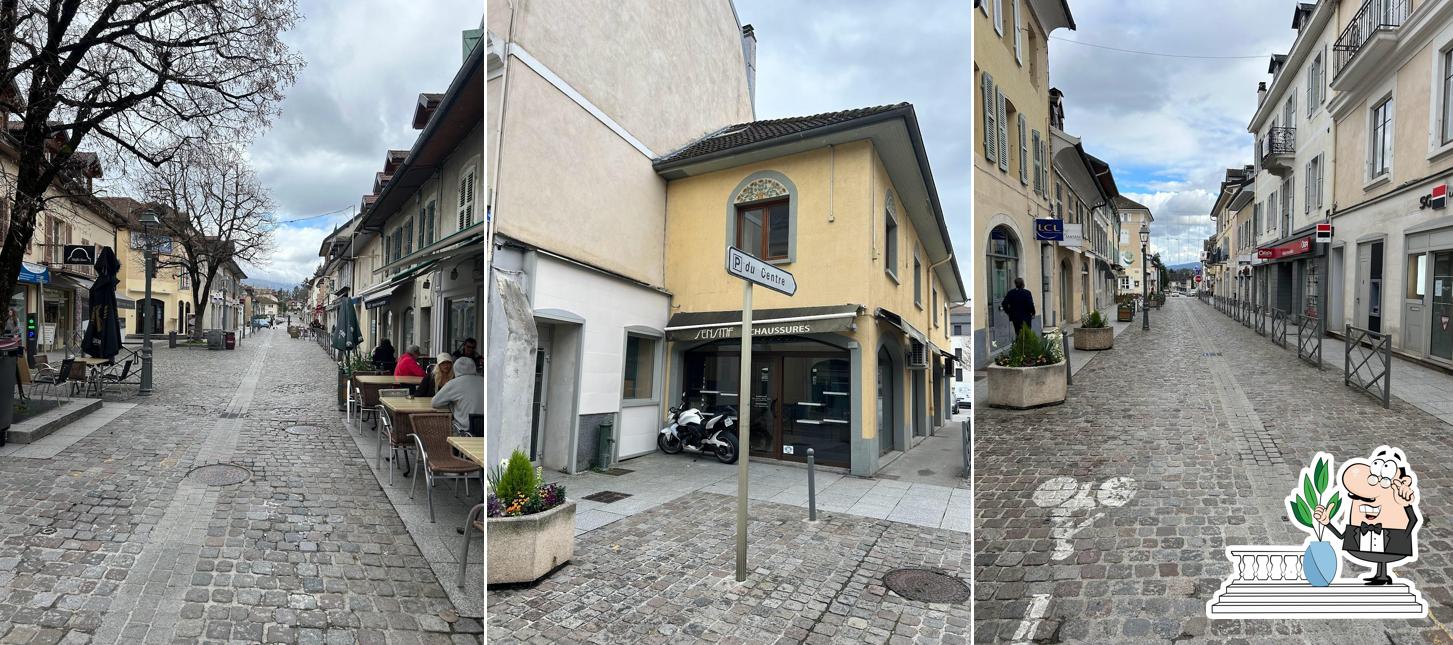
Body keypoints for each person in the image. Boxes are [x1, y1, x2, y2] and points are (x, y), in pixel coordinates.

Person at [432, 356, 482, 434]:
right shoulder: (484, 381)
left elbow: (434, 403)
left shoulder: (454, 383)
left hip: (465, 431)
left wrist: (451, 403)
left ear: (455, 369)